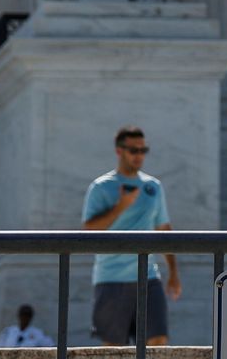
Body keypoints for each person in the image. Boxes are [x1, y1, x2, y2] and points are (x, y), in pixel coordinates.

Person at [81, 126, 181, 345]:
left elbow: (164, 229)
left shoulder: (153, 187)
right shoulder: (101, 187)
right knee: (115, 351)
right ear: (119, 151)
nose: (139, 155)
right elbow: (89, 230)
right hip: (111, 278)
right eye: (133, 150)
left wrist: (173, 272)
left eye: (143, 150)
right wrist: (121, 206)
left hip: (148, 277)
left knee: (158, 343)